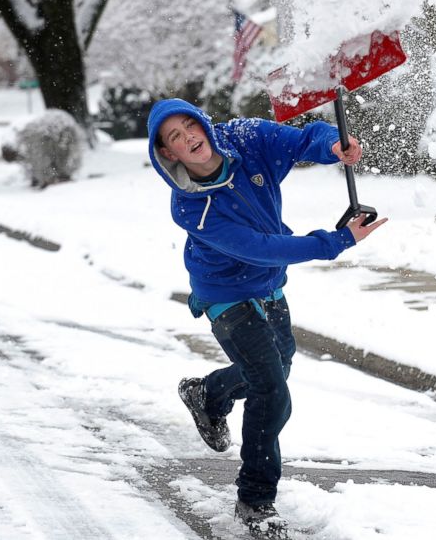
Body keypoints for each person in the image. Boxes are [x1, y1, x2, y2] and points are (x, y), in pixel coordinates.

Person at [147, 98, 386, 538]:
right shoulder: (191, 208)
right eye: (175, 137)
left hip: (269, 284)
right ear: (168, 154)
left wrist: (335, 145)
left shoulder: (246, 139)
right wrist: (336, 241)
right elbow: (261, 246)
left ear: (202, 122)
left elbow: (302, 139)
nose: (189, 137)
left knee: (280, 364)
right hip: (227, 293)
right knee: (272, 390)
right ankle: (255, 500)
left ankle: (208, 395)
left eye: (189, 125)